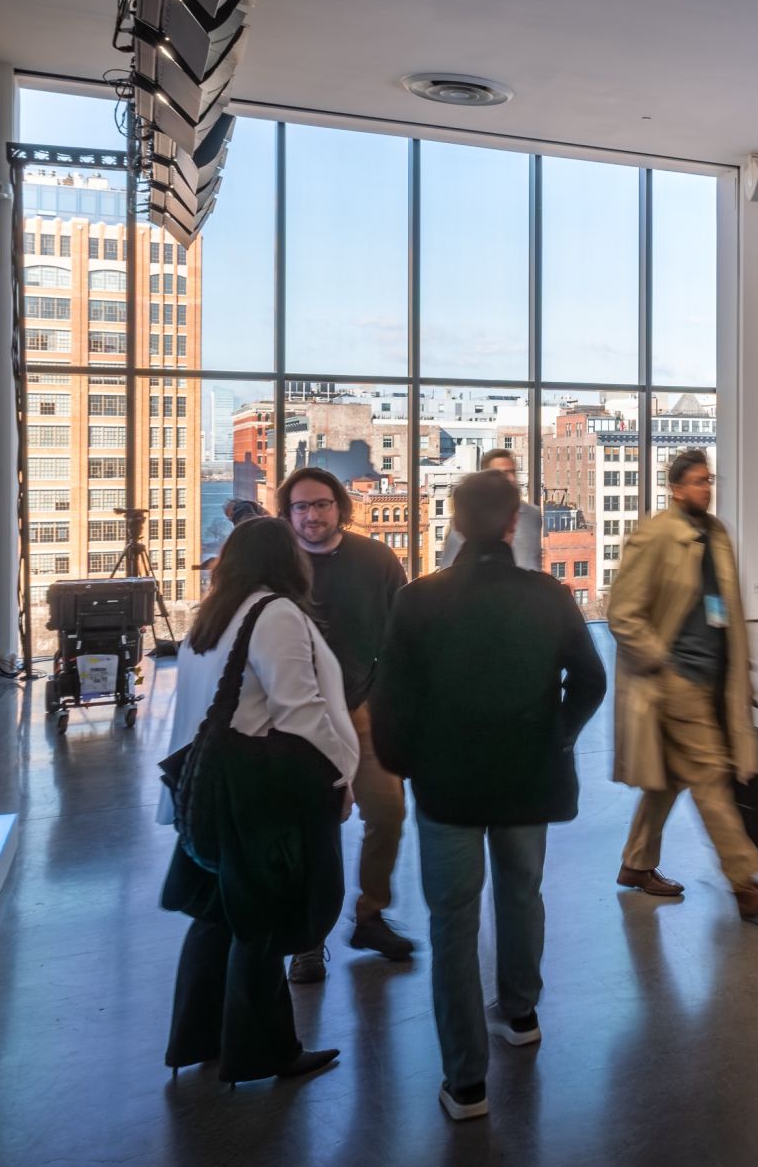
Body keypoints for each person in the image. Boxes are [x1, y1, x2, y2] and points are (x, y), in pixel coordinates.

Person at [370, 469, 608, 1122]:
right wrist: (557, 736)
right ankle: (522, 1015)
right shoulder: (549, 596)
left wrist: (407, 763)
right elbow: (590, 680)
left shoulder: (419, 599)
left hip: (447, 785)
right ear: (511, 525)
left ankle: (466, 1083)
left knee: (453, 922)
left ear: (453, 524)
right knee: (521, 894)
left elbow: (390, 701)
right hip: (528, 777)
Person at [160, 517, 358, 1083]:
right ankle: (265, 1052)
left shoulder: (212, 617)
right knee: (260, 920)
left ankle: (196, 1039)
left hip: (211, 787)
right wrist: (340, 775)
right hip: (256, 792)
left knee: (217, 915)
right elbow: (300, 710)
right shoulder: (275, 614)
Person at [606, 449, 758, 920]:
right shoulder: (656, 536)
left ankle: (636, 863)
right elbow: (622, 613)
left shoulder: (717, 533)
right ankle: (745, 882)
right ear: (677, 488)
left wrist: (744, 674)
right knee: (709, 774)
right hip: (677, 681)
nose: (707, 488)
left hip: (716, 679)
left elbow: (727, 610)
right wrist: (660, 661)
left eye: (709, 480)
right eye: (699, 481)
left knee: (672, 776)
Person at [278, 466, 413, 979]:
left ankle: (370, 915)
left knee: (389, 814)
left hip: (364, 708)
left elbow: (401, 634)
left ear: (340, 507)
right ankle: (307, 940)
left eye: (321, 504)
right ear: (288, 513)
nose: (312, 515)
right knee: (314, 829)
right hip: (300, 719)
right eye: (301, 506)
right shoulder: (278, 566)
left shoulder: (376, 559)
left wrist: (390, 701)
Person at [435, 448, 543, 571]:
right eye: (503, 474)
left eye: (513, 472)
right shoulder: (468, 517)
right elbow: (448, 566)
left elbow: (535, 561)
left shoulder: (533, 515)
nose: (512, 478)